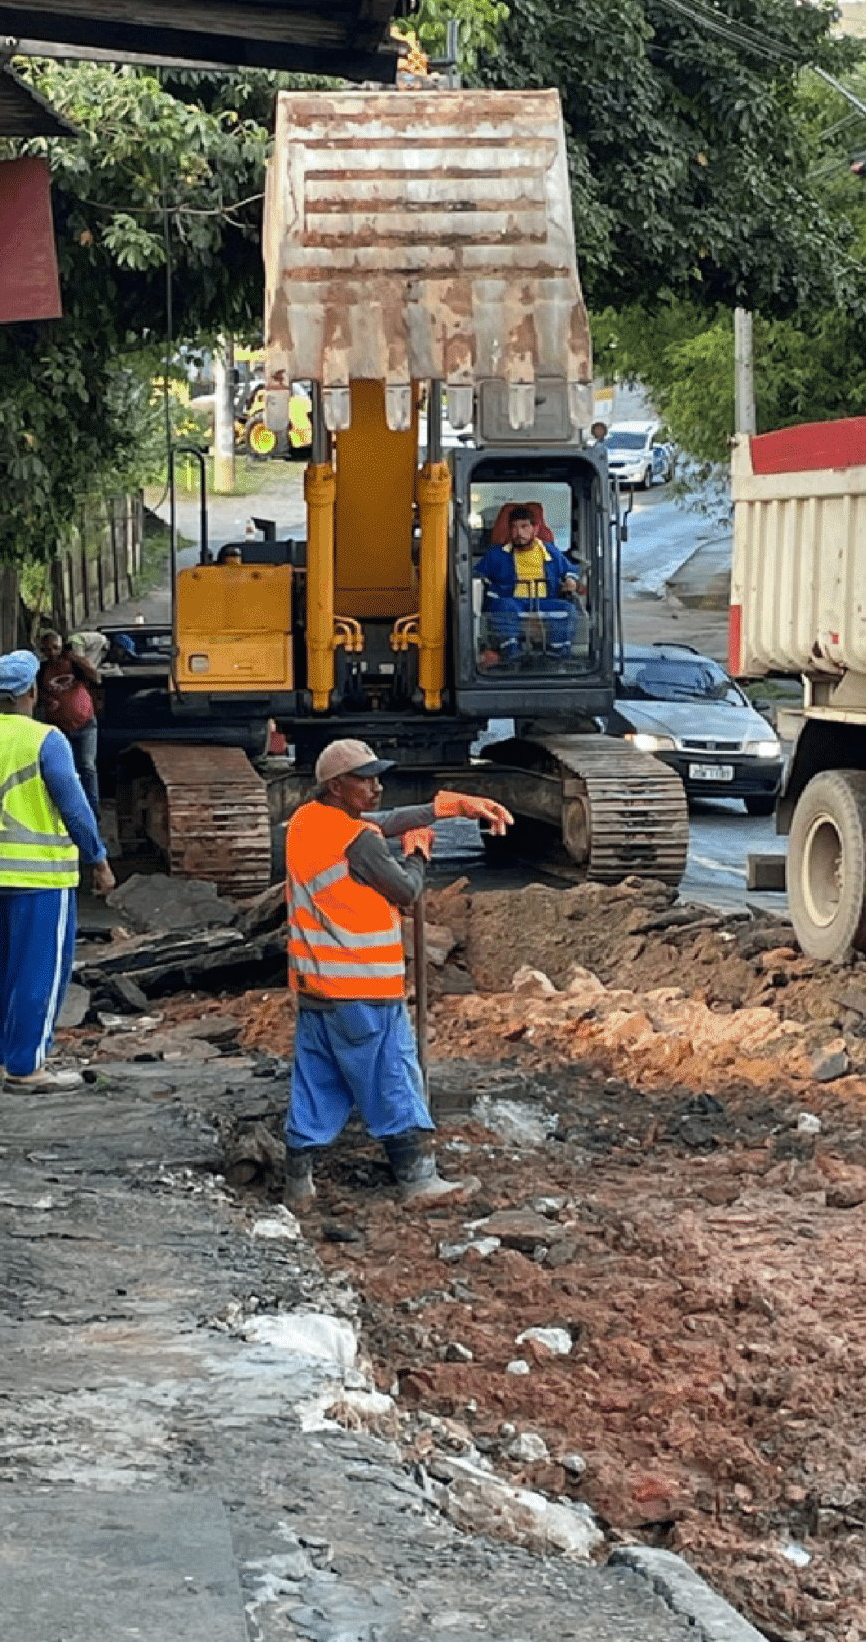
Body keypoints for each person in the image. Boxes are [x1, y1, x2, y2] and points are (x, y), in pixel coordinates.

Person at [282, 739, 514, 1212]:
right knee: (393, 1077)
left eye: (377, 777)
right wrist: (419, 853)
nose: (376, 787)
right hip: (365, 985)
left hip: (317, 986)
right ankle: (418, 1181)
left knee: (316, 1081)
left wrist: (442, 809)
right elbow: (405, 890)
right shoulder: (357, 840)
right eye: (364, 780)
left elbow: (381, 821)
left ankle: (298, 1183)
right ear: (336, 786)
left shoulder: (308, 821)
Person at [0, 650, 117, 1090]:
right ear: (30, 691)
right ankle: (28, 1068)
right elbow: (74, 804)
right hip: (39, 877)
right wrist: (97, 859)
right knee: (37, 971)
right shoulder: (46, 740)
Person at [474, 501, 584, 661]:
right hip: (513, 601)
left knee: (567, 609)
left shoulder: (550, 551)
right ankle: (511, 655)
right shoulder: (497, 554)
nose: (519, 532)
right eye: (514, 527)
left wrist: (570, 580)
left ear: (535, 529)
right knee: (502, 607)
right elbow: (477, 573)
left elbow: (570, 569)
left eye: (524, 527)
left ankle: (558, 656)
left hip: (546, 601)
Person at [33, 628, 104, 816]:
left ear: (62, 646)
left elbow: (96, 677)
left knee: (87, 767)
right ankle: (67, 810)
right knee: (64, 770)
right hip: (59, 729)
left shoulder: (75, 665)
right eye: (47, 650)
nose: (52, 653)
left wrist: (75, 657)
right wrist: (47, 702)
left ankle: (92, 812)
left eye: (55, 648)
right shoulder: (42, 672)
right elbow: (36, 697)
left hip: (85, 724)